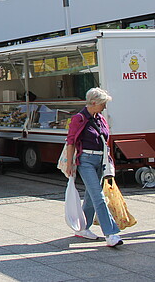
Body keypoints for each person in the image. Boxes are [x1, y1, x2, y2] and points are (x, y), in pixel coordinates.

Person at [64, 87, 123, 247]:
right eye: (103, 103)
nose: (104, 106)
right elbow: (70, 142)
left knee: (91, 196)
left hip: (100, 160)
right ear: (94, 102)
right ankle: (111, 234)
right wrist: (70, 164)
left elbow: (105, 141)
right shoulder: (79, 118)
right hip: (86, 160)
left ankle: (83, 228)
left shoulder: (100, 118)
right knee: (99, 197)